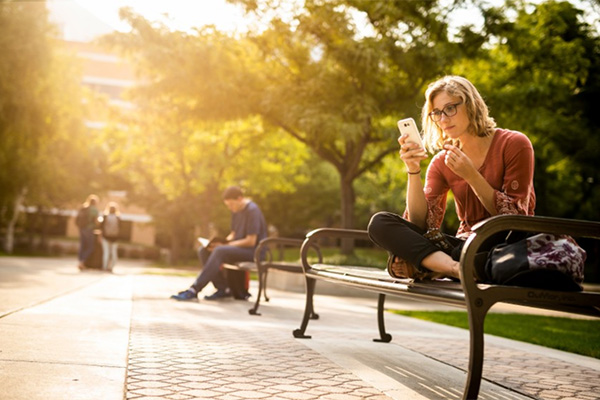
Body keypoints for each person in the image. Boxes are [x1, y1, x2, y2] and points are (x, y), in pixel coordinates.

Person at [368, 75, 535, 280]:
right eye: (436, 113)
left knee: (464, 249)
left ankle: (433, 264)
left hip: (507, 242)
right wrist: (413, 171)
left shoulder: (514, 143)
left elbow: (514, 218)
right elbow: (422, 224)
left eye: (450, 108)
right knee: (380, 223)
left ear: (471, 105)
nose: (443, 119)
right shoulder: (441, 161)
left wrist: (471, 175)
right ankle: (455, 268)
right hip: (464, 246)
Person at [171, 185, 268, 301]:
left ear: (240, 198)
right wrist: (219, 242)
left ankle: (194, 290)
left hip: (255, 252)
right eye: (228, 206)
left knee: (220, 250)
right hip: (240, 249)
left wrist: (224, 246)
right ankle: (223, 289)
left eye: (231, 204)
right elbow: (233, 234)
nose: (230, 208)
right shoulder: (236, 211)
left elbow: (251, 241)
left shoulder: (252, 210)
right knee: (204, 250)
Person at [77, 194, 100, 270]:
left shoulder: (83, 207)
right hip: (89, 229)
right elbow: (96, 221)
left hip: (81, 228)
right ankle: (82, 262)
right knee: (90, 246)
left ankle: (80, 262)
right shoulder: (94, 209)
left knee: (82, 245)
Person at [100, 201, 121, 272]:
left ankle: (104, 267)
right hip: (115, 238)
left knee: (106, 252)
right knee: (114, 253)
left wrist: (100, 236)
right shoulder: (118, 217)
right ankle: (111, 267)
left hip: (105, 237)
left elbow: (101, 227)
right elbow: (121, 228)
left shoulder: (105, 216)